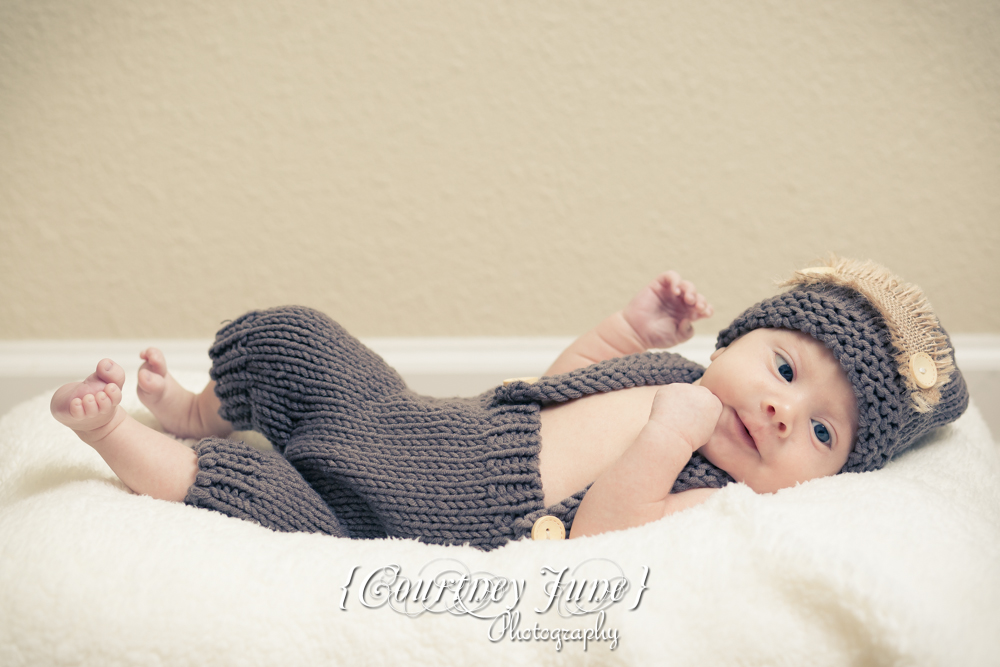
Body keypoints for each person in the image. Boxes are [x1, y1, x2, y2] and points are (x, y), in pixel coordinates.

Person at [49, 256, 969, 549]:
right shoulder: (678, 378)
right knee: (301, 339)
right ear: (733, 343)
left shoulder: (712, 488)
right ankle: (200, 407)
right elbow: (562, 383)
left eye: (819, 430)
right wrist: (628, 330)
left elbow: (608, 531)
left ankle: (124, 439)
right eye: (782, 368)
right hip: (430, 423)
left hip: (419, 514)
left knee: (259, 491)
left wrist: (663, 439)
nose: (780, 412)